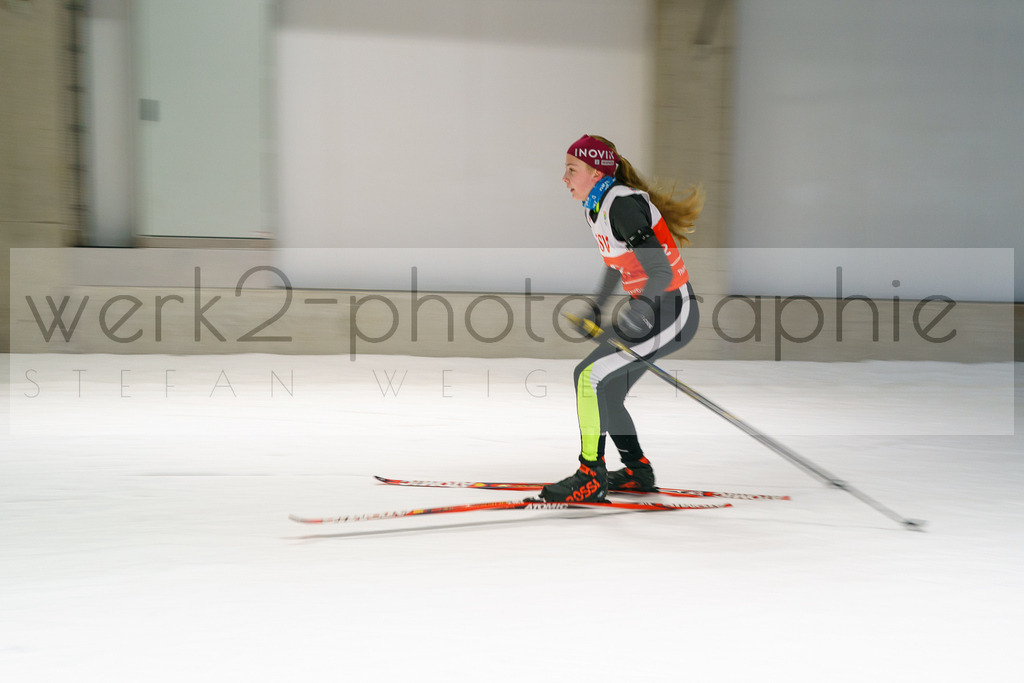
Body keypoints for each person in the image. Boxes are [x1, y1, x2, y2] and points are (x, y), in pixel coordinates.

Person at [539, 134, 704, 503]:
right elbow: (616, 262)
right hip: (652, 309)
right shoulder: (596, 207)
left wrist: (640, 311)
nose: (564, 178)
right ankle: (637, 471)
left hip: (672, 311)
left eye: (572, 169)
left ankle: (589, 475)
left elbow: (661, 271)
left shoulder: (623, 205)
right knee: (607, 390)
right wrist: (597, 307)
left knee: (588, 376)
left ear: (596, 172)